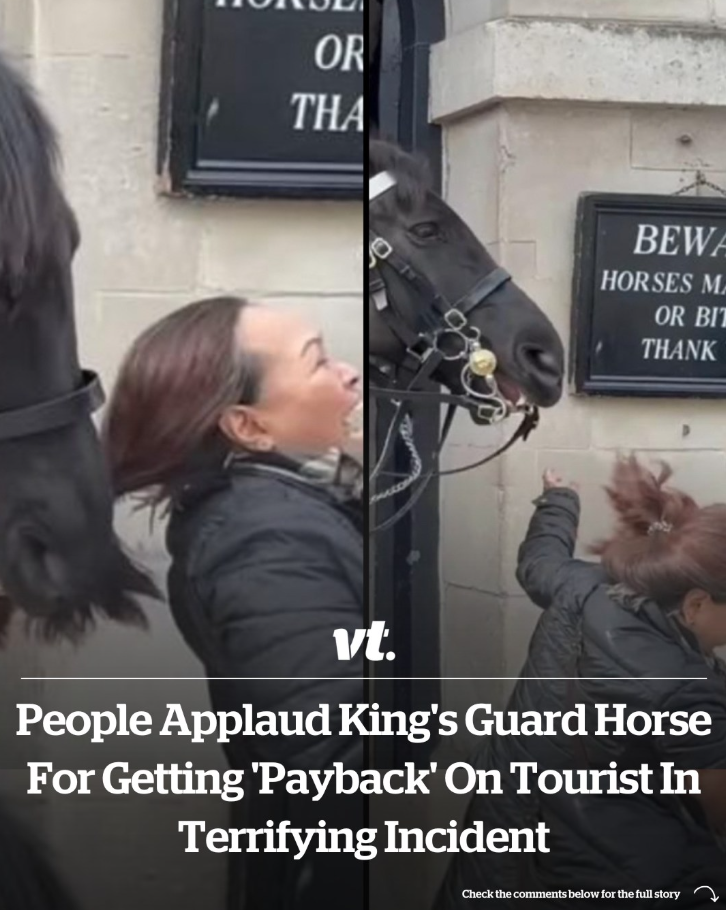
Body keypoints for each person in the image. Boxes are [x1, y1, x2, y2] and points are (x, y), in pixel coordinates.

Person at [102, 296, 364, 910]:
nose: (347, 371)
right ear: (248, 427)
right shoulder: (266, 544)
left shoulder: (276, 504)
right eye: (318, 361)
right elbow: (334, 759)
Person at [435, 456, 726, 910]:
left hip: (506, 829)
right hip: (607, 870)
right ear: (695, 604)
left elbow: (538, 562)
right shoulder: (685, 691)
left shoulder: (581, 584)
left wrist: (558, 499)